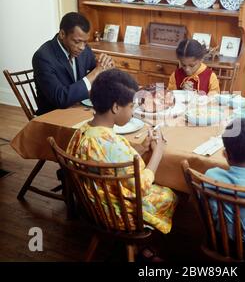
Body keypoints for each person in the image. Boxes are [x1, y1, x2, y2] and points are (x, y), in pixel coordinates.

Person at [66, 68, 177, 236]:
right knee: (170, 194)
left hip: (93, 205)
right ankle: (142, 247)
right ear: (116, 107)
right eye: (131, 106)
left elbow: (112, 162)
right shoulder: (113, 145)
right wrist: (158, 153)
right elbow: (142, 187)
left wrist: (143, 148)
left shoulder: (82, 131)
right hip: (118, 214)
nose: (133, 113)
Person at [33, 12, 115, 115]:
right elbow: (60, 98)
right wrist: (95, 72)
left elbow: (100, 72)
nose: (82, 47)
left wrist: (108, 66)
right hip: (55, 116)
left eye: (85, 42)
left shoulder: (83, 49)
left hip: (80, 110)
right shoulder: (43, 57)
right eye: (77, 42)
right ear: (62, 34)